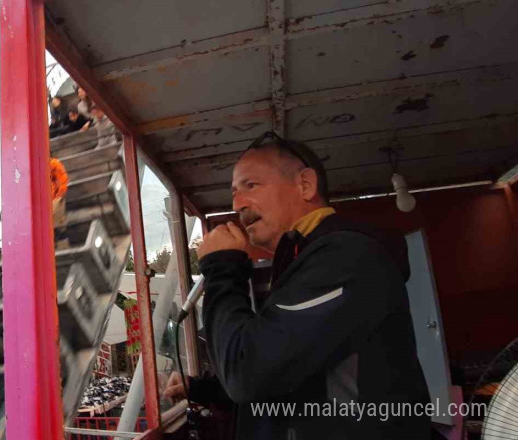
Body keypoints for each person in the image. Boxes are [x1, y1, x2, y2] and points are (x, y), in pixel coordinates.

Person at [166, 131, 430, 439]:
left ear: (305, 185)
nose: (237, 203)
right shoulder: (300, 260)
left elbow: (248, 373)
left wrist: (222, 270)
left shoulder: (345, 257)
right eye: (234, 192)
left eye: (251, 185)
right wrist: (201, 388)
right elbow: (289, 373)